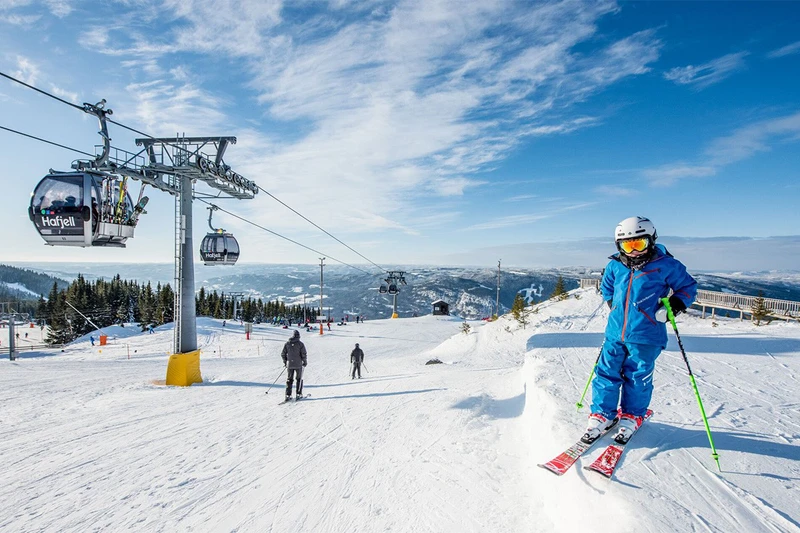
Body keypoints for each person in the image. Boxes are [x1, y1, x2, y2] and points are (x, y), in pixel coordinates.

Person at [584, 216, 697, 444]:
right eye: (628, 245)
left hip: (647, 334)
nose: (634, 251)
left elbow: (688, 286)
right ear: (619, 246)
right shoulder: (615, 265)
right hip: (615, 332)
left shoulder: (666, 265)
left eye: (639, 244)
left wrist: (675, 305)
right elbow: (607, 287)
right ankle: (603, 414)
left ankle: (632, 415)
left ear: (651, 241)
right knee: (606, 372)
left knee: (638, 376)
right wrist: (612, 303)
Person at [281, 330, 307, 401]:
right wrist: (304, 362)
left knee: (289, 379)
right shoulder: (300, 344)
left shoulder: (287, 343)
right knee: (299, 378)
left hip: (290, 365)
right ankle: (298, 393)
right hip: (298, 364)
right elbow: (303, 354)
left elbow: (283, 354)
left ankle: (288, 395)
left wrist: (285, 361)